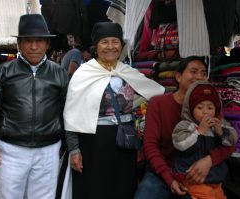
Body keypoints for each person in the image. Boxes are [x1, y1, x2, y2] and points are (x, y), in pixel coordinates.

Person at [62, 21, 165, 199]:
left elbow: (156, 94)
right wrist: (74, 150)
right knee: (95, 189)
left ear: (121, 45)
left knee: (122, 189)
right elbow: (72, 116)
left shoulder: (127, 71)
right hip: (93, 144)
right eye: (104, 42)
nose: (110, 47)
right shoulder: (84, 74)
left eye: (115, 42)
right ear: (95, 47)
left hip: (124, 142)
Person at [0, 14, 69, 199]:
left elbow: (66, 111)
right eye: (28, 41)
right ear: (19, 44)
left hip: (48, 150)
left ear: (47, 44)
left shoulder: (59, 73)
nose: (34, 46)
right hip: (11, 150)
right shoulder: (3, 72)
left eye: (39, 41)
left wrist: (66, 145)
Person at [134, 56, 236, 199]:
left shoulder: (210, 106)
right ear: (178, 76)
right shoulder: (158, 103)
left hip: (196, 175)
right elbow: (150, 145)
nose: (199, 77)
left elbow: (229, 143)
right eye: (193, 71)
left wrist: (209, 161)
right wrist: (169, 178)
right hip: (162, 172)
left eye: (203, 73)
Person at [172, 80, 238, 199]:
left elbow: (232, 141)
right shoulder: (185, 125)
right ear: (191, 109)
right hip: (194, 181)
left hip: (215, 181)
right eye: (199, 107)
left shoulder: (219, 124)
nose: (205, 111)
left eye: (210, 107)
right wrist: (199, 131)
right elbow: (180, 144)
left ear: (216, 110)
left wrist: (221, 132)